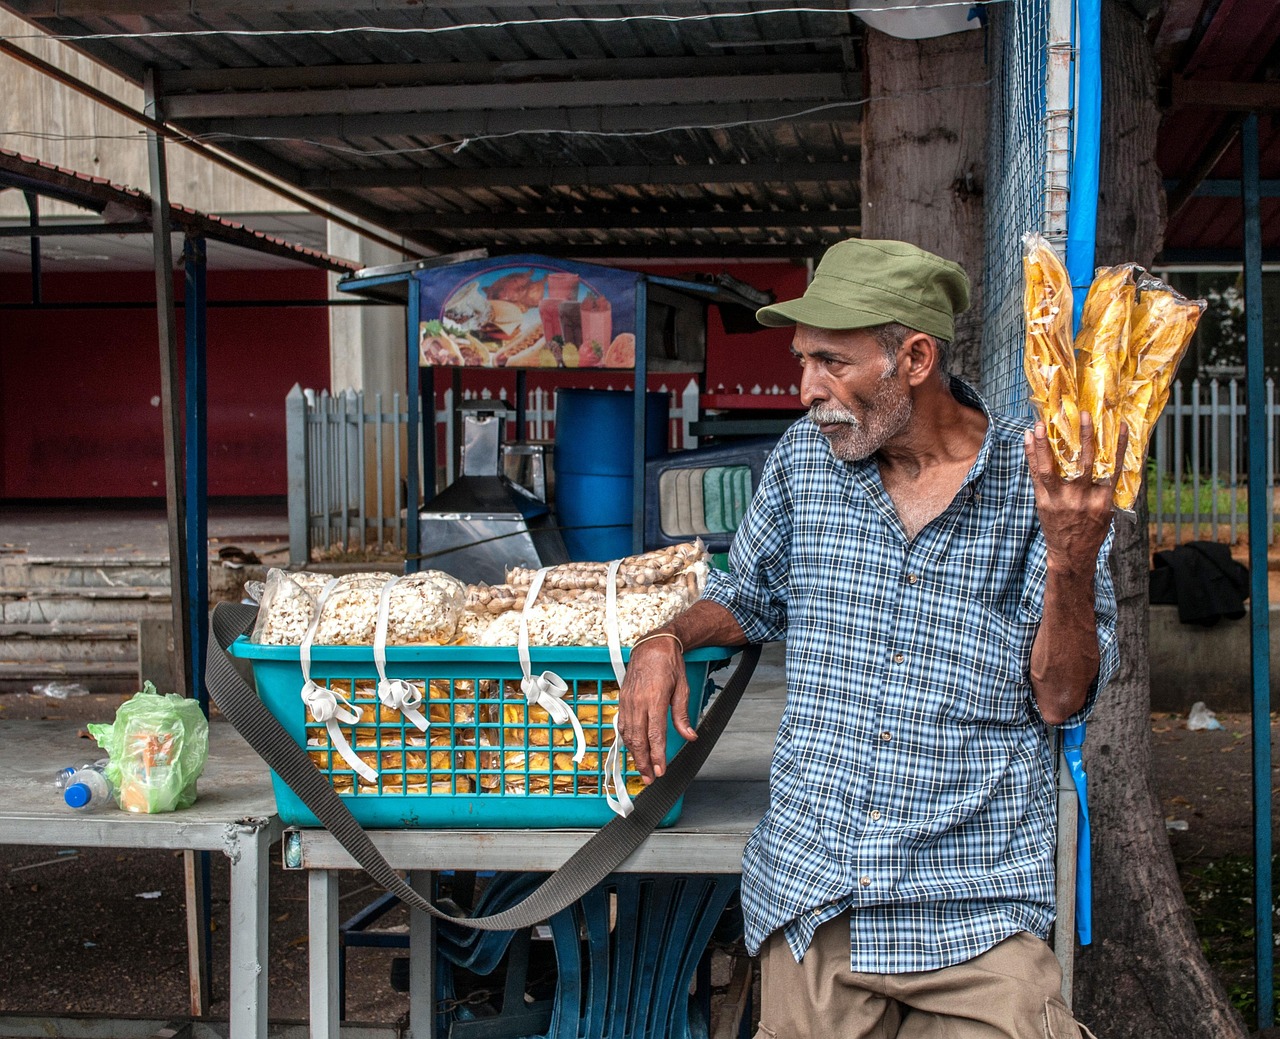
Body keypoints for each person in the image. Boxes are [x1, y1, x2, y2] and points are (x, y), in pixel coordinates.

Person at [617, 238, 1120, 1038]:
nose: (807, 389)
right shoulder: (804, 464)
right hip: (818, 898)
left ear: (914, 358)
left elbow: (1060, 697)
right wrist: (664, 639)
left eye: (831, 362)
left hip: (973, 912)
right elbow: (745, 596)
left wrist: (1071, 560)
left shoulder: (1043, 485)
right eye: (802, 360)